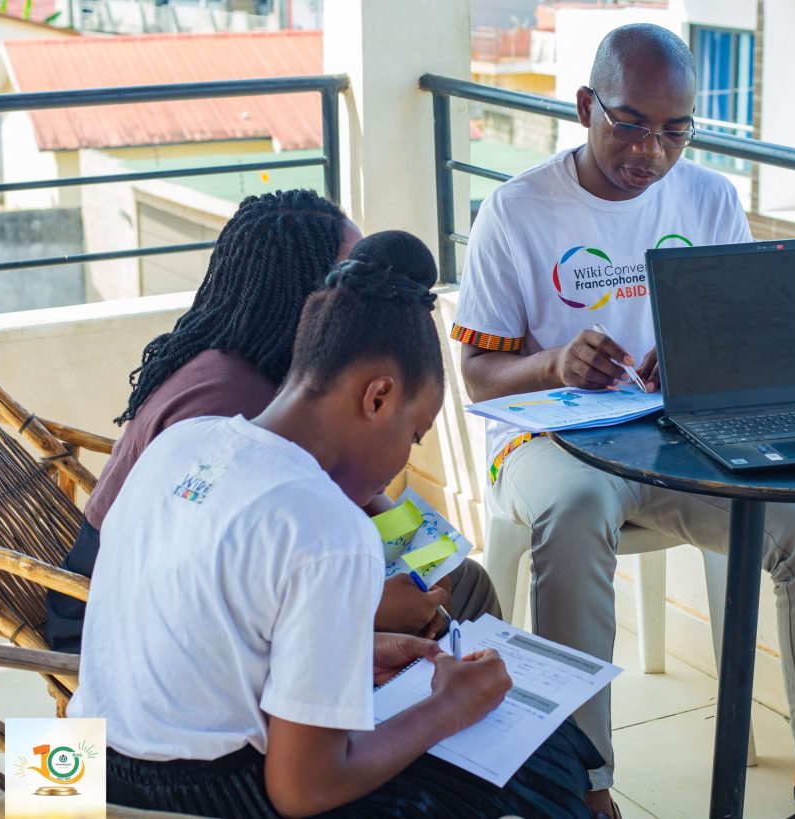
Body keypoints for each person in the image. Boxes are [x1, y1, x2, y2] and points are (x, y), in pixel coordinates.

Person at [453, 24, 795, 819]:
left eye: (675, 131)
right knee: (576, 509)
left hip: (676, 437)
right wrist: (555, 363)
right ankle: (582, 780)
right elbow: (477, 375)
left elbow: (739, 338)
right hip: (546, 439)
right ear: (585, 106)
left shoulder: (709, 198)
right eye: (630, 124)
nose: (651, 152)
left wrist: (702, 362)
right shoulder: (517, 210)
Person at [68, 230, 601, 817]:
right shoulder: (328, 526)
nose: (403, 458)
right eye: (414, 434)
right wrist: (446, 708)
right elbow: (304, 790)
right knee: (548, 768)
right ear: (377, 398)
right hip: (203, 798)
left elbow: (203, 635)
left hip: (81, 768)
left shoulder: (182, 443)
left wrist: (349, 649)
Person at [45, 189, 499, 653]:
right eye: (346, 277)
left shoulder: (278, 377)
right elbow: (208, 588)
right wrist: (369, 609)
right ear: (299, 291)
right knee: (446, 605)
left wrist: (427, 549)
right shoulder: (229, 403)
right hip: (115, 621)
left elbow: (361, 497)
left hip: (208, 608)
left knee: (459, 576)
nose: (361, 293)